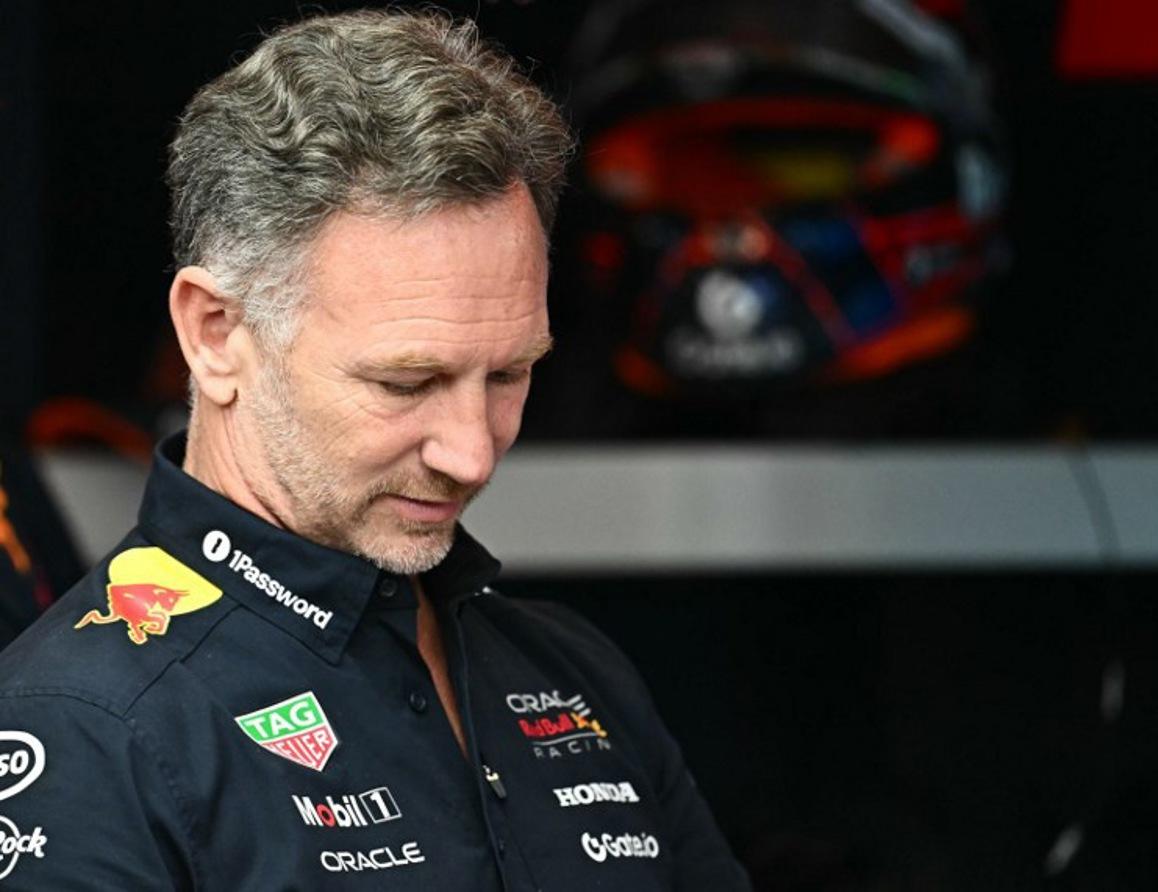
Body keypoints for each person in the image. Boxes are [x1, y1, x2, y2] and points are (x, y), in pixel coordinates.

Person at [0, 9, 751, 890]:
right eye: (407, 382)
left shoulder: (575, 672)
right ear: (216, 334)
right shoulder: (82, 727)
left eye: (509, 374)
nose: (472, 454)